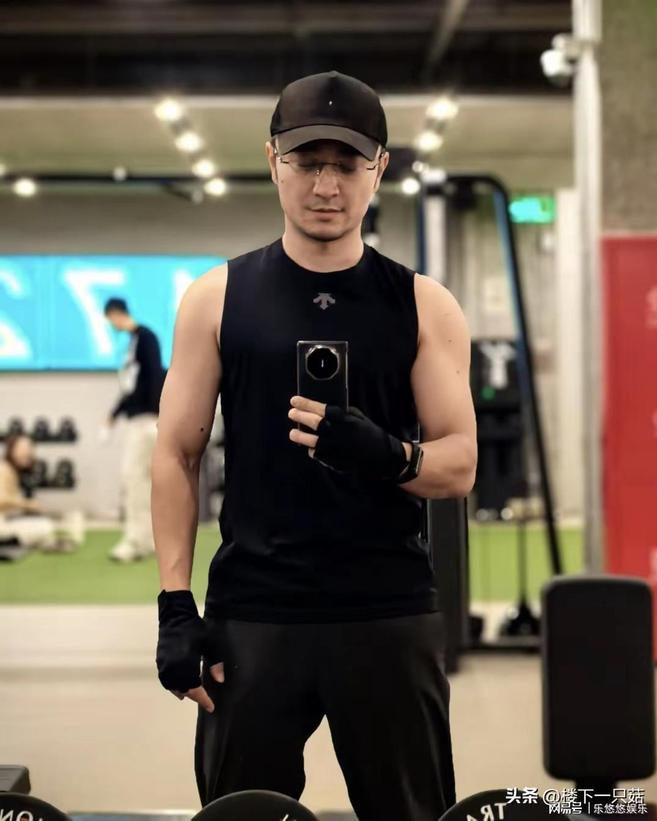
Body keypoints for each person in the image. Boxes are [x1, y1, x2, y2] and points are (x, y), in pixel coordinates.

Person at [152, 71, 477, 821]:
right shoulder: (217, 298)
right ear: (273, 161)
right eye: (307, 161)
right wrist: (174, 605)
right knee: (244, 814)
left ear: (379, 169)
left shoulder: (423, 304)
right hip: (256, 611)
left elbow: (460, 462)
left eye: (346, 164)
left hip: (386, 609)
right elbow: (176, 454)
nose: (326, 185)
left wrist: (388, 455)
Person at [104, 297, 166, 562]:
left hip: (146, 421)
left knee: (133, 478)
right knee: (141, 481)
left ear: (115, 314)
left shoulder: (146, 338)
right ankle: (147, 539)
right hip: (139, 419)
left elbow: (155, 375)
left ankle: (135, 541)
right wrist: (113, 414)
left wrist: (159, 416)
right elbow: (131, 387)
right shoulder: (132, 343)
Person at [0, 433, 85, 553]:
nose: (27, 453)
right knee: (45, 527)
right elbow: (1, 500)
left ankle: (28, 542)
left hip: (6, 521)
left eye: (29, 449)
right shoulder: (4, 469)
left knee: (44, 525)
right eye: (22, 449)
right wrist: (27, 504)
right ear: (11, 450)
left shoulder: (12, 470)